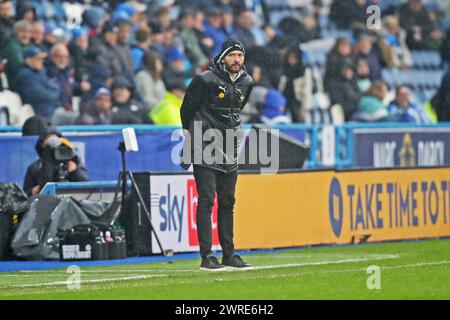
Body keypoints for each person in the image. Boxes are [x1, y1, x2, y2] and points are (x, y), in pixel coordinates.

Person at [180, 38, 253, 271]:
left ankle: (229, 255)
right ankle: (207, 256)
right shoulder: (205, 80)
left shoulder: (247, 81)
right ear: (223, 57)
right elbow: (187, 109)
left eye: (240, 56)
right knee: (207, 199)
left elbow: (236, 110)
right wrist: (192, 139)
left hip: (230, 146)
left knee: (228, 201)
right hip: (205, 144)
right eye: (232, 55)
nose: (237, 60)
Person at [23, 128, 89, 196]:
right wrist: (32, 192)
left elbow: (87, 187)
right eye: (49, 140)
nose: (54, 143)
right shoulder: (35, 168)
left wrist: (75, 172)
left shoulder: (73, 162)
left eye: (56, 139)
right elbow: (25, 195)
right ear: (42, 144)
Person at [13, 46, 61, 120]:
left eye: (41, 59)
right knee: (74, 117)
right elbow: (41, 95)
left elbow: (57, 87)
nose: (41, 61)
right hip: (40, 114)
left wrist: (53, 93)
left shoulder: (40, 72)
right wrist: (54, 94)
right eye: (38, 59)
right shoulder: (25, 75)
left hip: (52, 110)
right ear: (28, 60)